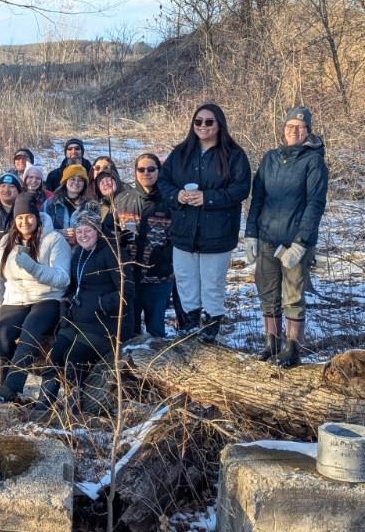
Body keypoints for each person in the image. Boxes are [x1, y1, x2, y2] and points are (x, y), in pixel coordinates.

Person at [158, 103, 252, 343]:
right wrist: (177, 195)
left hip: (217, 232)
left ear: (219, 124)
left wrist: (208, 198)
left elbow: (241, 188)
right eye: (198, 121)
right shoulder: (181, 152)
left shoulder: (234, 154)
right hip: (183, 230)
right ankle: (189, 326)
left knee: (212, 283)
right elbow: (163, 181)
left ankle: (211, 328)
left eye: (209, 122)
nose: (203, 126)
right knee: (186, 281)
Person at [30, 208, 134, 424]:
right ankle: (43, 405)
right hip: (76, 320)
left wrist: (101, 304)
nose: (83, 234)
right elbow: (74, 285)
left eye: (88, 230)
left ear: (97, 230)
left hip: (103, 325)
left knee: (74, 358)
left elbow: (127, 290)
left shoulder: (112, 252)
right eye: (79, 230)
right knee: (56, 354)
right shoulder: (79, 252)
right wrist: (66, 305)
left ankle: (73, 407)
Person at [244, 106, 328, 367]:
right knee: (268, 292)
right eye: (290, 126)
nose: (294, 131)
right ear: (283, 129)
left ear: (308, 131)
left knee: (293, 296)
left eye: (300, 127)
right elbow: (257, 198)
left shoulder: (313, 161)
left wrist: (301, 244)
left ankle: (292, 348)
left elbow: (315, 203)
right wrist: (251, 234)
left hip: (294, 242)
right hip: (268, 237)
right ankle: (271, 343)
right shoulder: (270, 158)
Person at [0, 192, 70, 401]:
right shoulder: (6, 241)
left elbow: (63, 278)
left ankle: (12, 386)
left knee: (31, 331)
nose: (25, 222)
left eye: (29, 216)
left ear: (37, 216)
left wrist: (35, 269)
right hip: (16, 298)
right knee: (3, 335)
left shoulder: (54, 239)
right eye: (20, 217)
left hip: (47, 298)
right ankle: (5, 387)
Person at [115, 154, 174, 338]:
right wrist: (120, 240)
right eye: (141, 169)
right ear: (135, 172)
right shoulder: (123, 199)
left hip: (158, 277)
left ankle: (157, 366)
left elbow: (180, 235)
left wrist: (166, 256)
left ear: (159, 170)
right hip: (130, 277)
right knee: (129, 330)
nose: (146, 173)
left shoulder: (170, 199)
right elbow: (111, 231)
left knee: (156, 331)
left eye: (151, 169)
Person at [43, 163, 90, 244]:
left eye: (80, 180)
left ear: (84, 184)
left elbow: (96, 231)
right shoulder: (51, 203)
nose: (76, 183)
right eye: (72, 179)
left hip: (81, 250)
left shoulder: (90, 205)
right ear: (65, 181)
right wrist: (58, 233)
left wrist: (79, 235)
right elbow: (41, 229)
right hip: (55, 248)